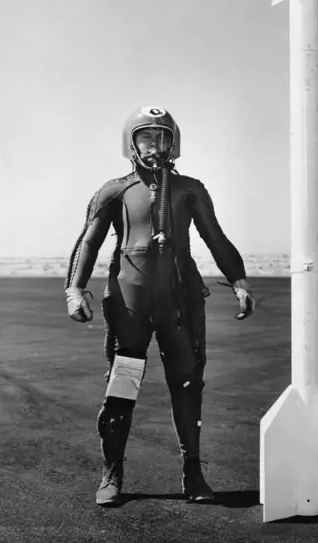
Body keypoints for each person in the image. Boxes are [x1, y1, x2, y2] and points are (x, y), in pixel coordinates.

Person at [63, 105, 255, 507]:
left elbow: (215, 238)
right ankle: (111, 473)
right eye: (146, 137)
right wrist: (75, 290)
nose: (155, 146)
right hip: (131, 305)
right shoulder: (114, 190)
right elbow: (89, 242)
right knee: (122, 385)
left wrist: (238, 280)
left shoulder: (189, 190)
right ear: (130, 144)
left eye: (162, 137)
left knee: (187, 385)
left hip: (180, 303)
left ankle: (194, 473)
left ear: (174, 142)